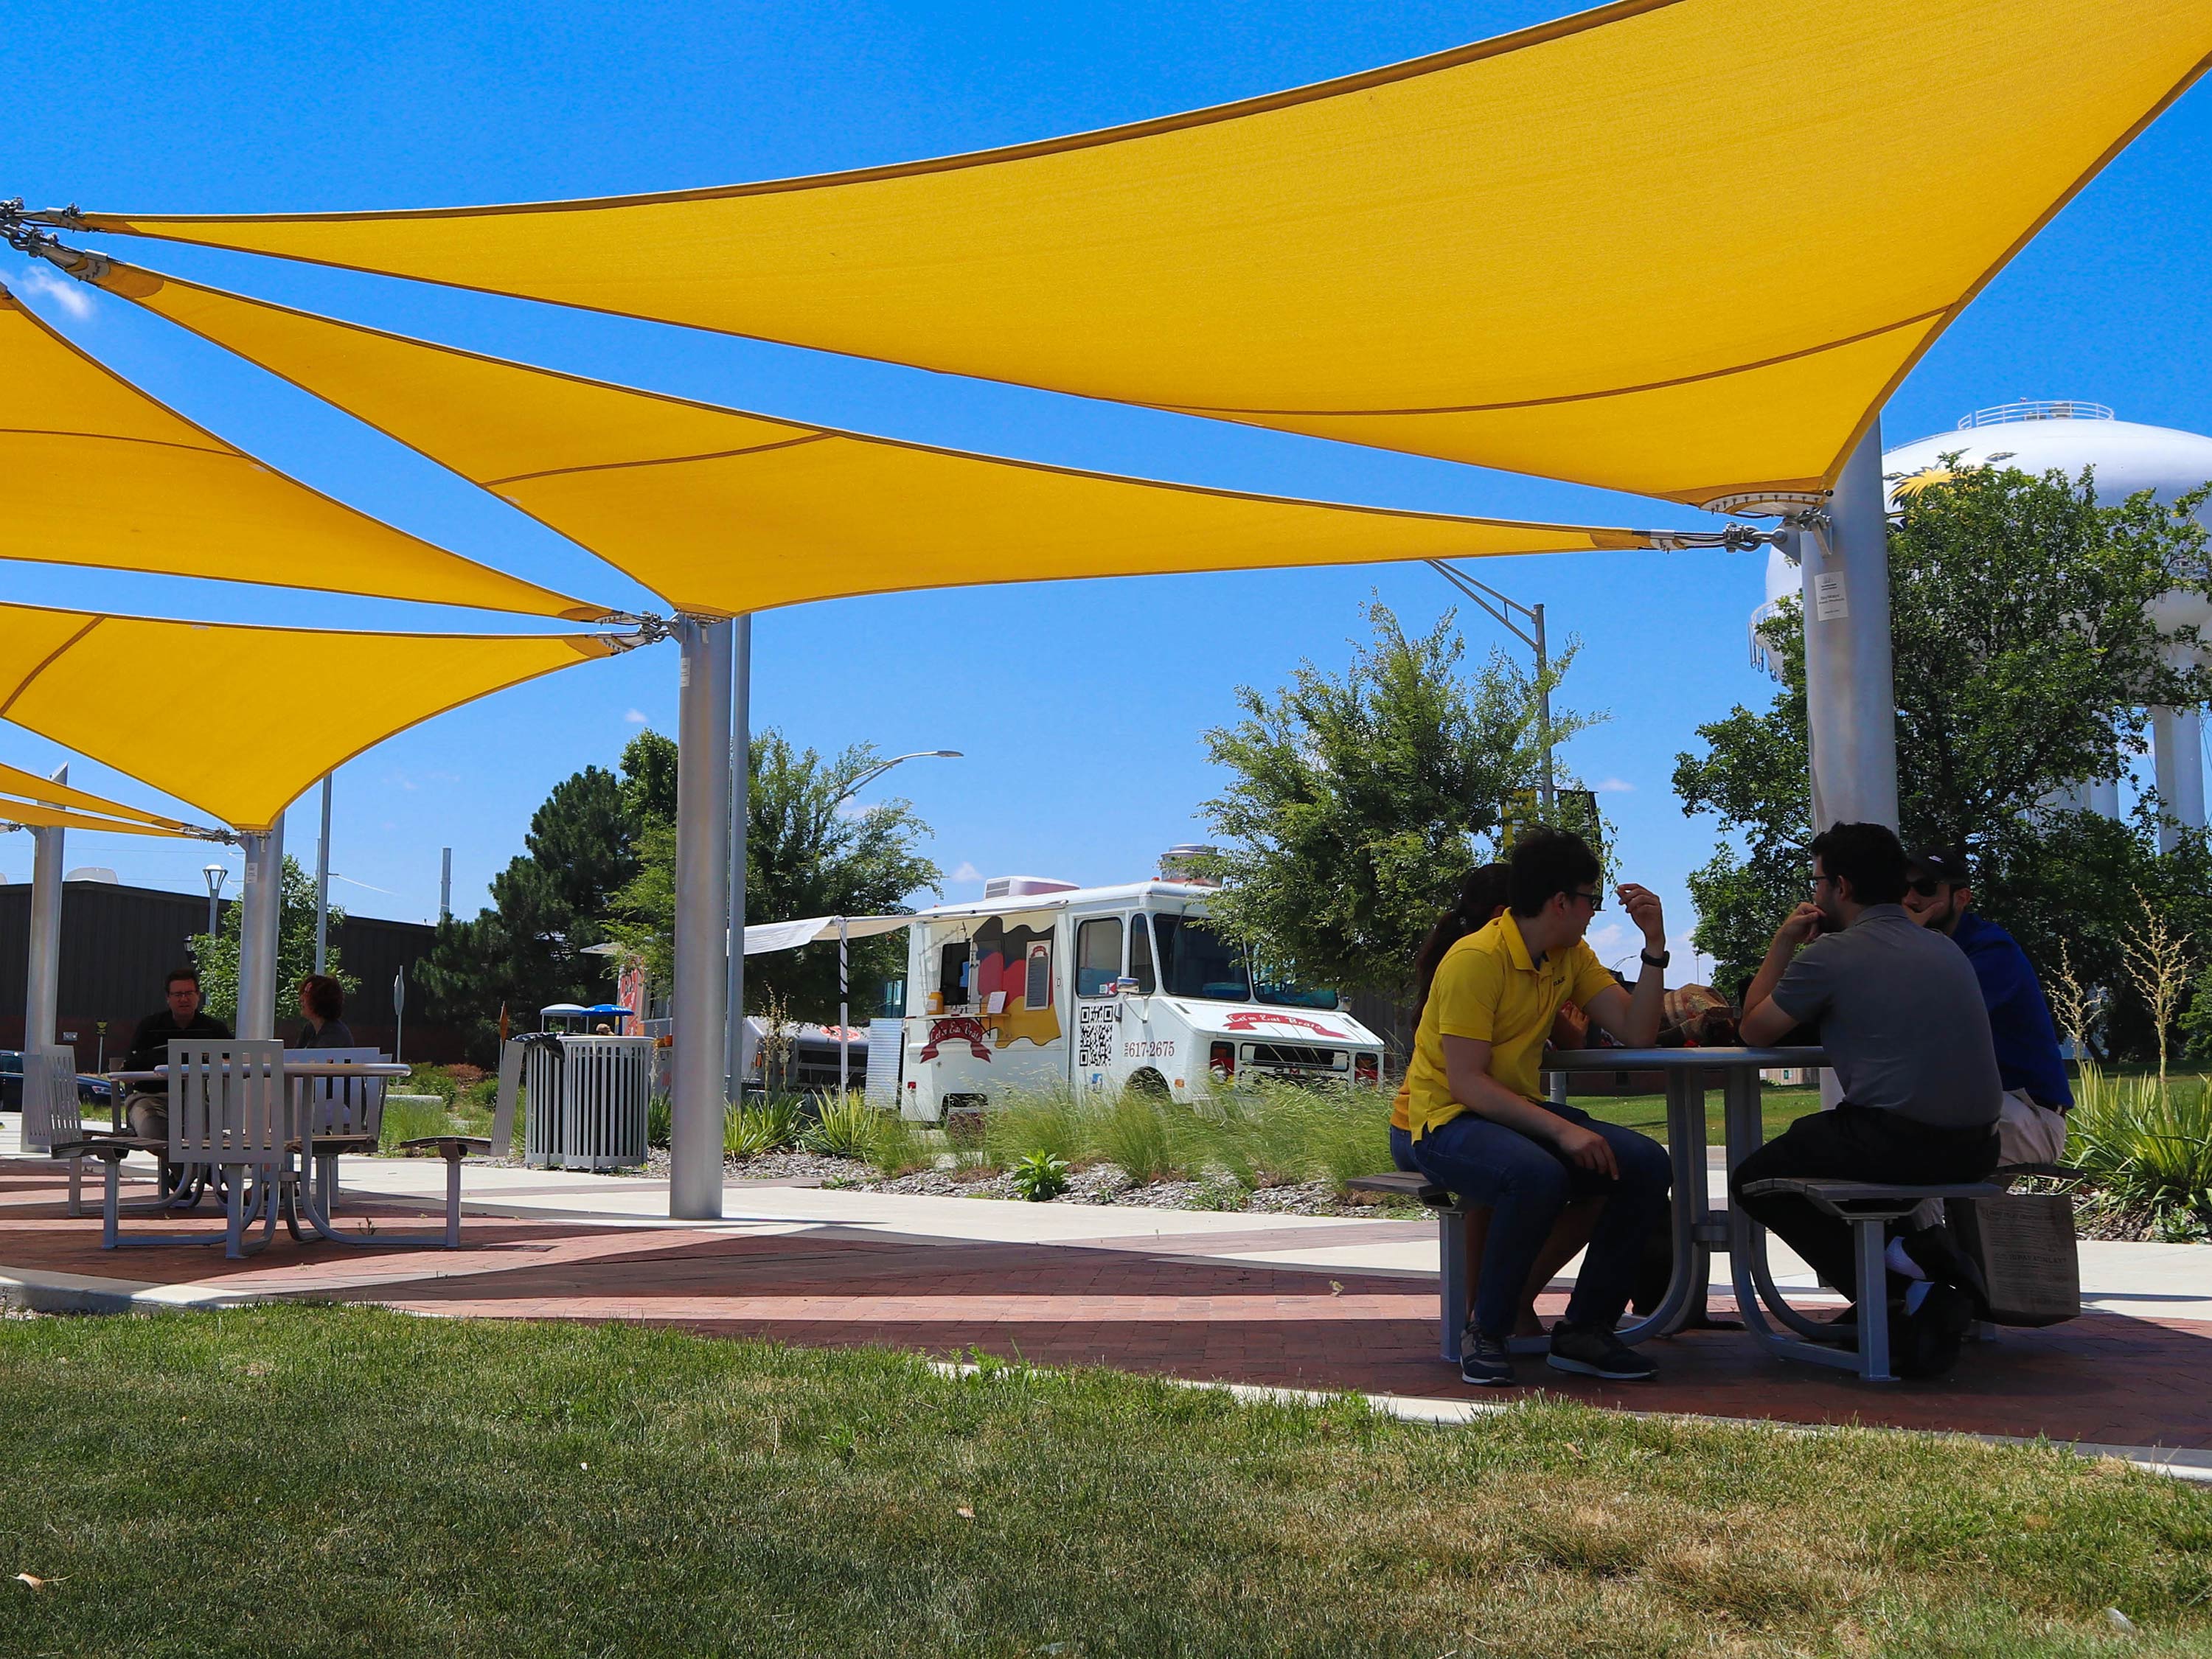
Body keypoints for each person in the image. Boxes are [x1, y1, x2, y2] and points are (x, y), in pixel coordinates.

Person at [1403, 829, 1674, 1386]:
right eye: (1591, 901)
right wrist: (1563, 1131)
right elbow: (1468, 1084)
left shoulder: (1568, 954)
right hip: (1442, 1121)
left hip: (1509, 1114)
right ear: (1561, 903)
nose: (1594, 913)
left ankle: (1584, 1332)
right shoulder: (1475, 959)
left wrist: (1654, 948)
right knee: (1536, 1175)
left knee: (1645, 1162)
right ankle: (1487, 1331)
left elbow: (1638, 1032)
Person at [1734, 824, 2002, 1359]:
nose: (1813, 894)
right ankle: (1914, 1259)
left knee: (1754, 1178)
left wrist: (1783, 941)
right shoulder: (1944, 949)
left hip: (1898, 1140)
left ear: (1842, 886)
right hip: (1978, 1145)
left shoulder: (1830, 955)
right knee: (1825, 1148)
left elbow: (1753, 1029)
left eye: (1816, 882)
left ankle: (1904, 1292)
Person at [1902, 847, 2071, 1168]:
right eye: (1901, 888)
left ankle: (1926, 1220)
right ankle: (1922, 1220)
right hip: (1981, 1109)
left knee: (1899, 1143)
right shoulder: (1939, 949)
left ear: (1961, 898)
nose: (1909, 899)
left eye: (1925, 888)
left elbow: (1929, 1015)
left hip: (2029, 1115)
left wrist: (1903, 938)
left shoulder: (1992, 952)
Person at [120, 966, 233, 1144]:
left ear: (198, 996)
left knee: (217, 1138)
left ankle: (191, 1172)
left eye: (189, 993)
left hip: (196, 1100)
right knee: (154, 1135)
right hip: (149, 1098)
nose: (184, 999)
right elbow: (129, 1066)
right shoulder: (150, 1026)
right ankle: (198, 1173)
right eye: (178, 994)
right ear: (168, 998)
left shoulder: (213, 1029)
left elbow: (234, 1061)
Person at [294, 974, 355, 1050]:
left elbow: (317, 1060)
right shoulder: (310, 1028)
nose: (301, 998)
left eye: (307, 995)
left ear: (321, 1001)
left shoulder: (334, 1034)